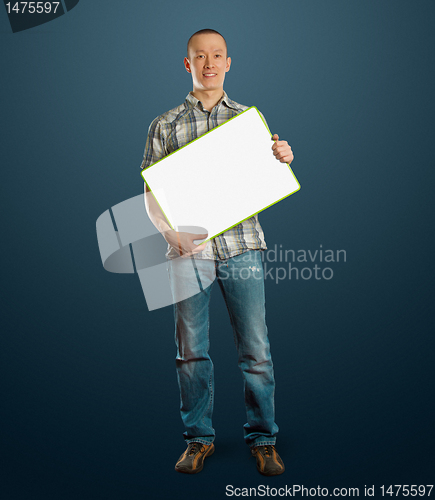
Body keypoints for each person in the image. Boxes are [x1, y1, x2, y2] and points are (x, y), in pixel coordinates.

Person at [141, 29, 294, 476]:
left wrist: (282, 157)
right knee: (190, 351)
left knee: (257, 349)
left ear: (229, 63)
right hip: (187, 253)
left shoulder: (249, 122)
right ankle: (198, 439)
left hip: (242, 248)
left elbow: (270, 175)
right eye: (200, 56)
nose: (209, 63)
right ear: (187, 64)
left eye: (218, 55)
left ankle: (263, 438)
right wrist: (170, 235)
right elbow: (151, 194)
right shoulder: (163, 125)